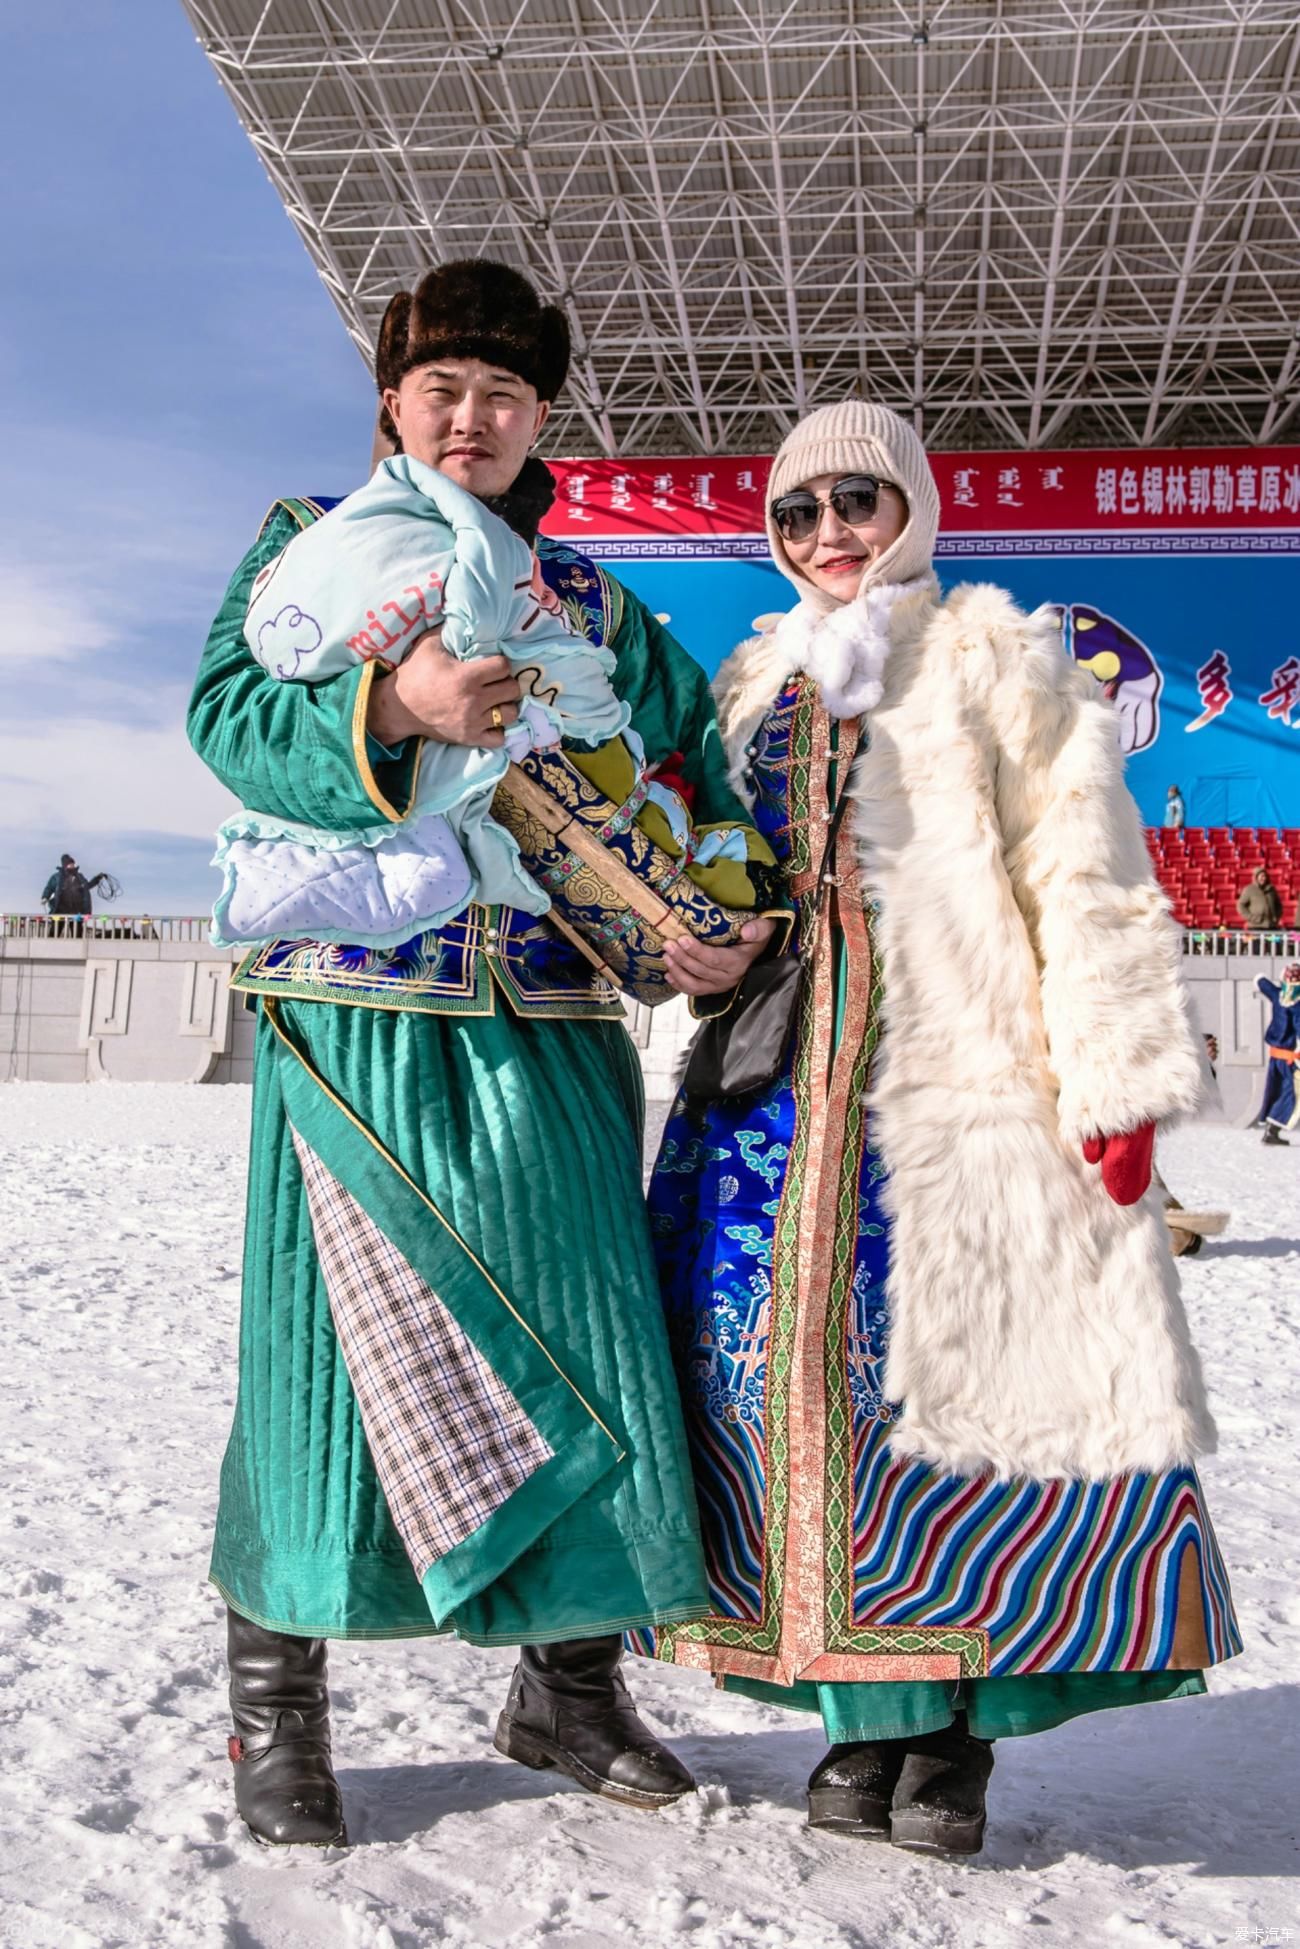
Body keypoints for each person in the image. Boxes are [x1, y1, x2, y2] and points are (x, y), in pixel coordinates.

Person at [187, 258, 775, 1849]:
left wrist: (709, 914)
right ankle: (276, 1710)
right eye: (443, 388)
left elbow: (689, 779)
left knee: (588, 1344)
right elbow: (230, 715)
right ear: (392, 401)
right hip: (359, 1011)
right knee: (324, 1363)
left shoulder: (597, 606)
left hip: (554, 1019)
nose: (474, 416)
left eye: (504, 394)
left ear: (540, 421)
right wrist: (397, 698)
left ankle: (570, 1685)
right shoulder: (315, 548)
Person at [640, 400, 1239, 1857]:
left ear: (910, 506)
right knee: (781, 1393)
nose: (831, 536)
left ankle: (964, 1728)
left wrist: (1107, 1078)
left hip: (959, 1074)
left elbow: (1081, 871)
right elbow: (713, 867)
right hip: (776, 1092)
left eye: (857, 503)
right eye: (799, 515)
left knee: (966, 1398)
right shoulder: (753, 680)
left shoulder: (998, 655)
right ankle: (868, 1717)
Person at [1254, 965, 1300, 1145]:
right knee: (1291, 1093)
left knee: (1277, 1090)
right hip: (1289, 1057)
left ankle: (1271, 1129)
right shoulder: (1297, 1004)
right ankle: (1272, 1130)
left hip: (1276, 1056)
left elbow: (1263, 983)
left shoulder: (1278, 995)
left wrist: (1260, 979)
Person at [1238, 866, 1282, 931]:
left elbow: (1278, 905)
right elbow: (1241, 905)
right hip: (1255, 926)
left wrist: (1276, 917)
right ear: (1256, 877)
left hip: (1271, 925)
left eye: (1265, 876)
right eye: (1261, 876)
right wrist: (1252, 918)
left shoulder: (1272, 890)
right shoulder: (1249, 889)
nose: (1263, 878)